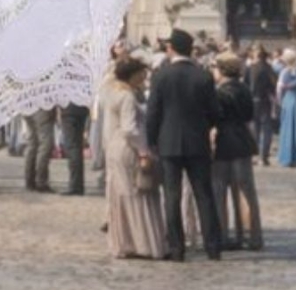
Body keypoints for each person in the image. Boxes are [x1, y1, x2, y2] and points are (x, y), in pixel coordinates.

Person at [145, 27, 222, 260]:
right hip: (197, 141)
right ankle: (212, 246)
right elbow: (214, 112)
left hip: (168, 142)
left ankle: (177, 248)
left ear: (170, 48)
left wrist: (152, 140)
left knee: (172, 195)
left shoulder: (161, 75)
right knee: (204, 195)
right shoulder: (204, 75)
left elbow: (153, 113)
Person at [98, 55, 165, 259]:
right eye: (141, 75)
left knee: (121, 194)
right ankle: (141, 242)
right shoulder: (127, 96)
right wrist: (144, 151)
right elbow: (130, 129)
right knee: (138, 191)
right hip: (128, 148)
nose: (144, 79)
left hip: (114, 148)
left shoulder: (110, 91)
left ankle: (124, 241)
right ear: (132, 76)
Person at [212, 52, 263, 250]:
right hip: (242, 141)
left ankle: (223, 234)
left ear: (222, 70)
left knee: (219, 192)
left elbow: (214, 117)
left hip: (223, 143)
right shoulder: (244, 89)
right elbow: (249, 115)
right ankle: (252, 235)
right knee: (245, 191)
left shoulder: (218, 92)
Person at [249, 43, 277, 163]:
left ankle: (254, 154)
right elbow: (273, 85)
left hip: (252, 100)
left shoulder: (250, 68)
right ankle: (264, 156)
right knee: (266, 129)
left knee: (254, 128)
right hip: (265, 100)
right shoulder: (269, 68)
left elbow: (245, 85)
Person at [58, 101, 89, 195]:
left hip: (68, 111)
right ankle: (78, 184)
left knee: (72, 147)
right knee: (77, 146)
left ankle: (75, 185)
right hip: (82, 109)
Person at [23, 104, 57, 190]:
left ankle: (29, 180)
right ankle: (41, 181)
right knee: (45, 144)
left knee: (32, 144)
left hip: (27, 107)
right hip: (42, 108)